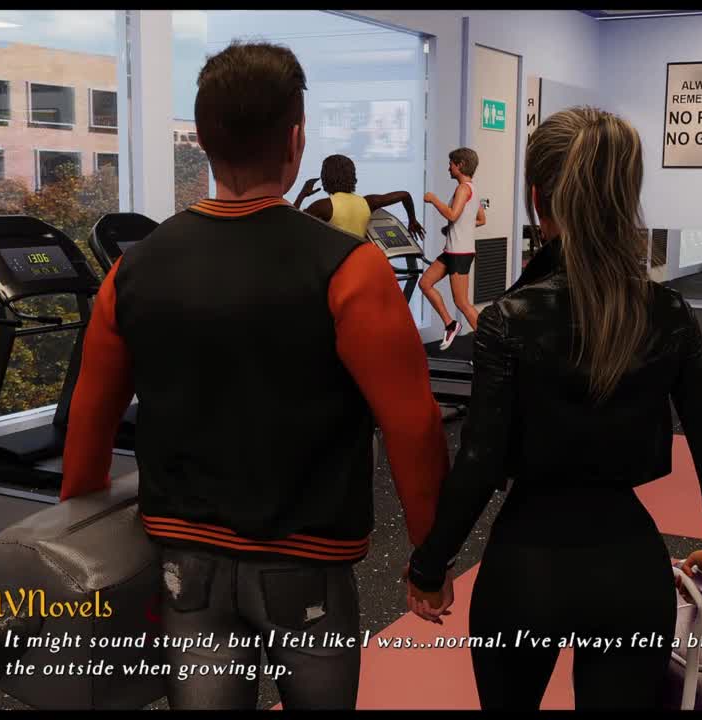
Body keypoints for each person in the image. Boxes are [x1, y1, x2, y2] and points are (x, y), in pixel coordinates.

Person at [58, 41, 451, 710]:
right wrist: (428, 556)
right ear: (296, 140)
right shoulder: (350, 268)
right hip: (307, 563)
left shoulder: (133, 269)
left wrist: (78, 541)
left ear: (202, 139)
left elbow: (88, 424)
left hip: (185, 559)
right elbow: (413, 425)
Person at [403, 107, 702, 710]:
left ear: (537, 198)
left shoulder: (508, 319)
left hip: (526, 569)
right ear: (623, 196)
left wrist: (430, 568)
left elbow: (480, 461)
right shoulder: (668, 312)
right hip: (629, 568)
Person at [419, 148, 486, 350]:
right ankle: (450, 324)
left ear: (460, 165)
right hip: (452, 251)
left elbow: (452, 214)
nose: (448, 168)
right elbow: (481, 219)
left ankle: (489, 348)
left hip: (460, 253)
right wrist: (453, 228)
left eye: (451, 164)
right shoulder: (472, 188)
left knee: (462, 303)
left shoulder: (463, 189)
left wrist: (433, 199)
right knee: (425, 283)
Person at [292, 154, 426, 242]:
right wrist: (412, 220)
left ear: (325, 177)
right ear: (352, 176)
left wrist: (301, 195)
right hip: (358, 261)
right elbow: (404, 195)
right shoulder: (368, 202)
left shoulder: (322, 206)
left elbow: (292, 225)